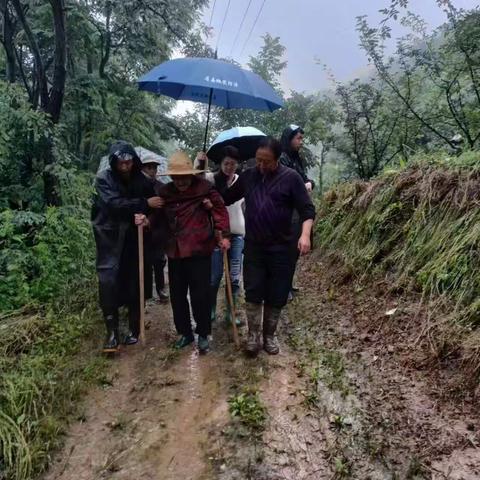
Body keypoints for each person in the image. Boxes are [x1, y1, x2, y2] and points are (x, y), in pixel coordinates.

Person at [221, 137, 315, 357]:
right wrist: (206, 171)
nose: (261, 166)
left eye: (266, 162)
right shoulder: (249, 176)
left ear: (277, 159)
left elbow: (307, 210)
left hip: (283, 248)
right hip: (254, 246)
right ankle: (253, 336)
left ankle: (269, 336)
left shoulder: (291, 178)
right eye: (258, 160)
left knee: (277, 292)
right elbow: (225, 197)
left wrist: (305, 235)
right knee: (253, 290)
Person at [137, 151, 230, 353]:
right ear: (171, 177)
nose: (180, 182)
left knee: (200, 295)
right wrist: (146, 221)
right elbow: (156, 216)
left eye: (184, 177)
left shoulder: (205, 189)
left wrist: (223, 236)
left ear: (191, 174)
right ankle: (185, 333)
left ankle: (203, 334)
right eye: (176, 178)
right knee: (177, 296)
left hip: (199, 249)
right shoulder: (165, 193)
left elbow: (220, 211)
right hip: (175, 251)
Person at [92, 141, 164, 353]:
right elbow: (113, 204)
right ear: (114, 162)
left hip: (135, 238)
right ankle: (112, 331)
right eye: (121, 163)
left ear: (134, 161)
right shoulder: (104, 179)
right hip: (110, 236)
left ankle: (134, 327)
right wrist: (143, 205)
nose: (125, 167)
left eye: (129, 163)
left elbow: (155, 204)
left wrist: (148, 219)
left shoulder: (141, 180)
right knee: (108, 280)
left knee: (136, 280)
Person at [196, 146, 245, 325]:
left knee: (234, 276)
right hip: (215, 234)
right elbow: (196, 182)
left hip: (237, 234)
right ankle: (210, 309)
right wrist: (200, 162)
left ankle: (231, 312)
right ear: (220, 163)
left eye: (233, 164)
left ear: (237, 164)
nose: (229, 167)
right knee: (214, 276)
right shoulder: (210, 179)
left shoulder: (241, 181)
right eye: (226, 163)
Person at [280, 125, 315, 300]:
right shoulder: (282, 159)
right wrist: (303, 185)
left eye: (302, 138)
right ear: (289, 139)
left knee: (294, 250)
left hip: (297, 211)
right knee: (287, 251)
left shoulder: (295, 158)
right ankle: (282, 286)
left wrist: (309, 183)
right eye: (298, 138)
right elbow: (288, 183)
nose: (301, 142)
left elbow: (304, 177)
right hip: (286, 213)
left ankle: (287, 283)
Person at [140, 153, 169, 303]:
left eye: (154, 168)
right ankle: (145, 294)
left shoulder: (161, 187)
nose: (152, 171)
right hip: (140, 232)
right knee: (143, 262)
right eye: (148, 167)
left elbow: (162, 208)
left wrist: (150, 220)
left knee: (159, 261)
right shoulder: (136, 187)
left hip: (157, 231)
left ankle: (160, 288)